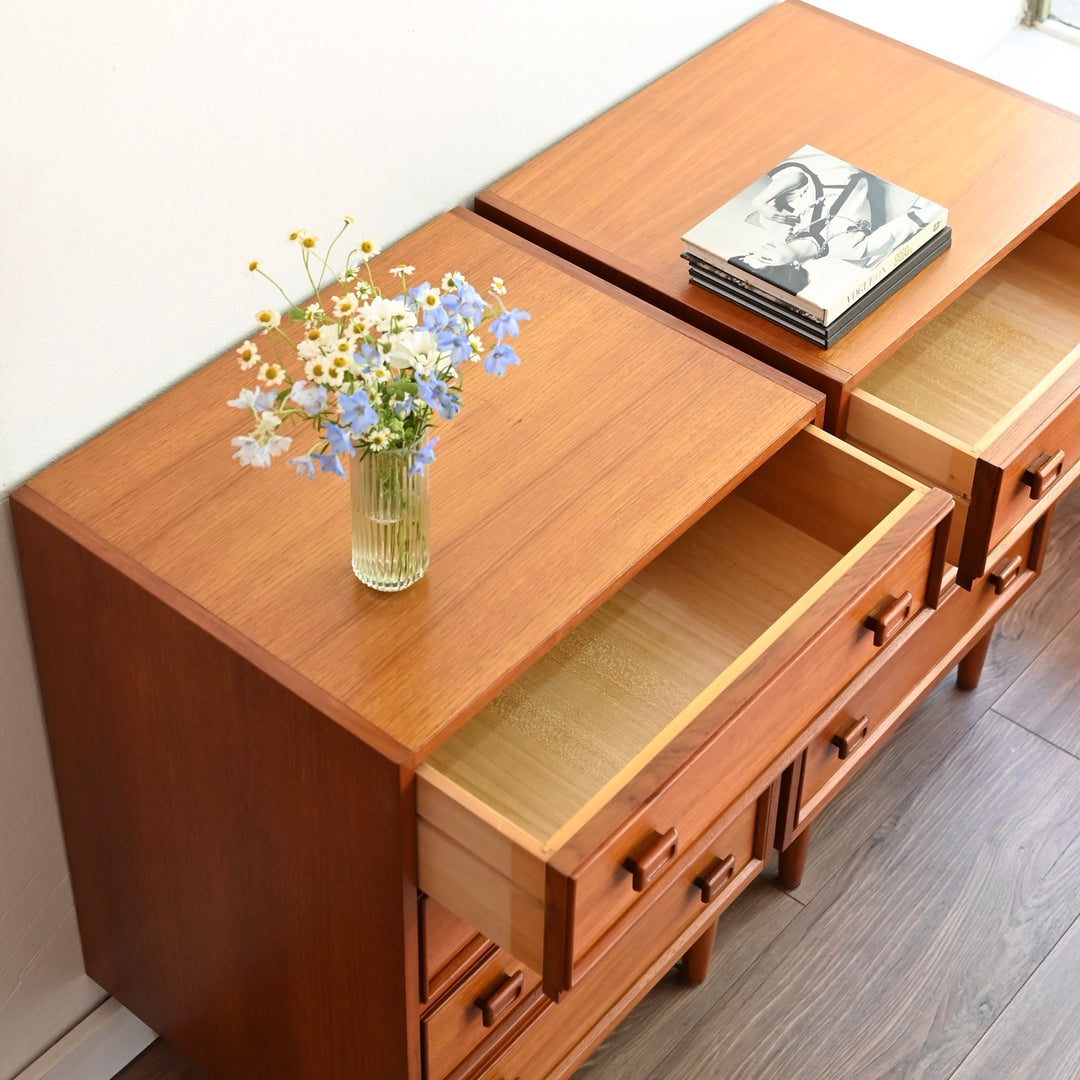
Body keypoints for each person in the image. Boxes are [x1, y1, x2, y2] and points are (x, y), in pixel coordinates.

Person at [731, 149, 937, 295]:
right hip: (863, 158)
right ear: (793, 267)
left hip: (813, 153)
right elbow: (916, 218)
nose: (760, 249)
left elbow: (796, 176)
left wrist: (759, 201)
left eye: (752, 253)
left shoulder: (777, 224)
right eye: (765, 258)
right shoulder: (853, 250)